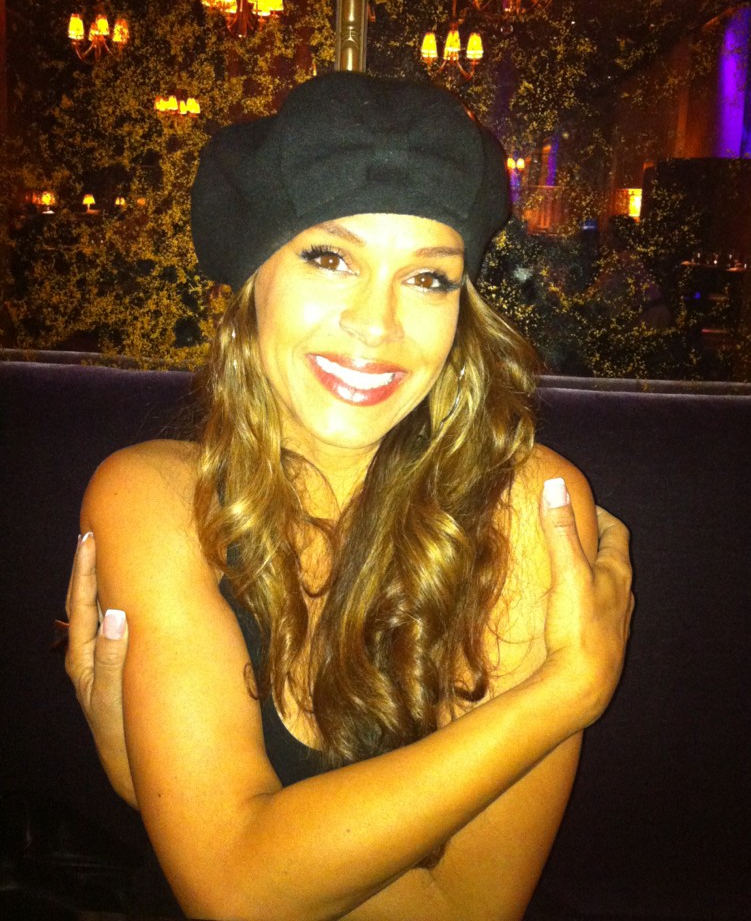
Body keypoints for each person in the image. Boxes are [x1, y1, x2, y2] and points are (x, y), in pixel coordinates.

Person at [65, 72, 633, 921]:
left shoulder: (527, 506)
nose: (377, 325)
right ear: (252, 277)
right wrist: (563, 696)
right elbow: (233, 892)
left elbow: (469, 910)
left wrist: (175, 805)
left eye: (428, 278)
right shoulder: (152, 496)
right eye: (329, 259)